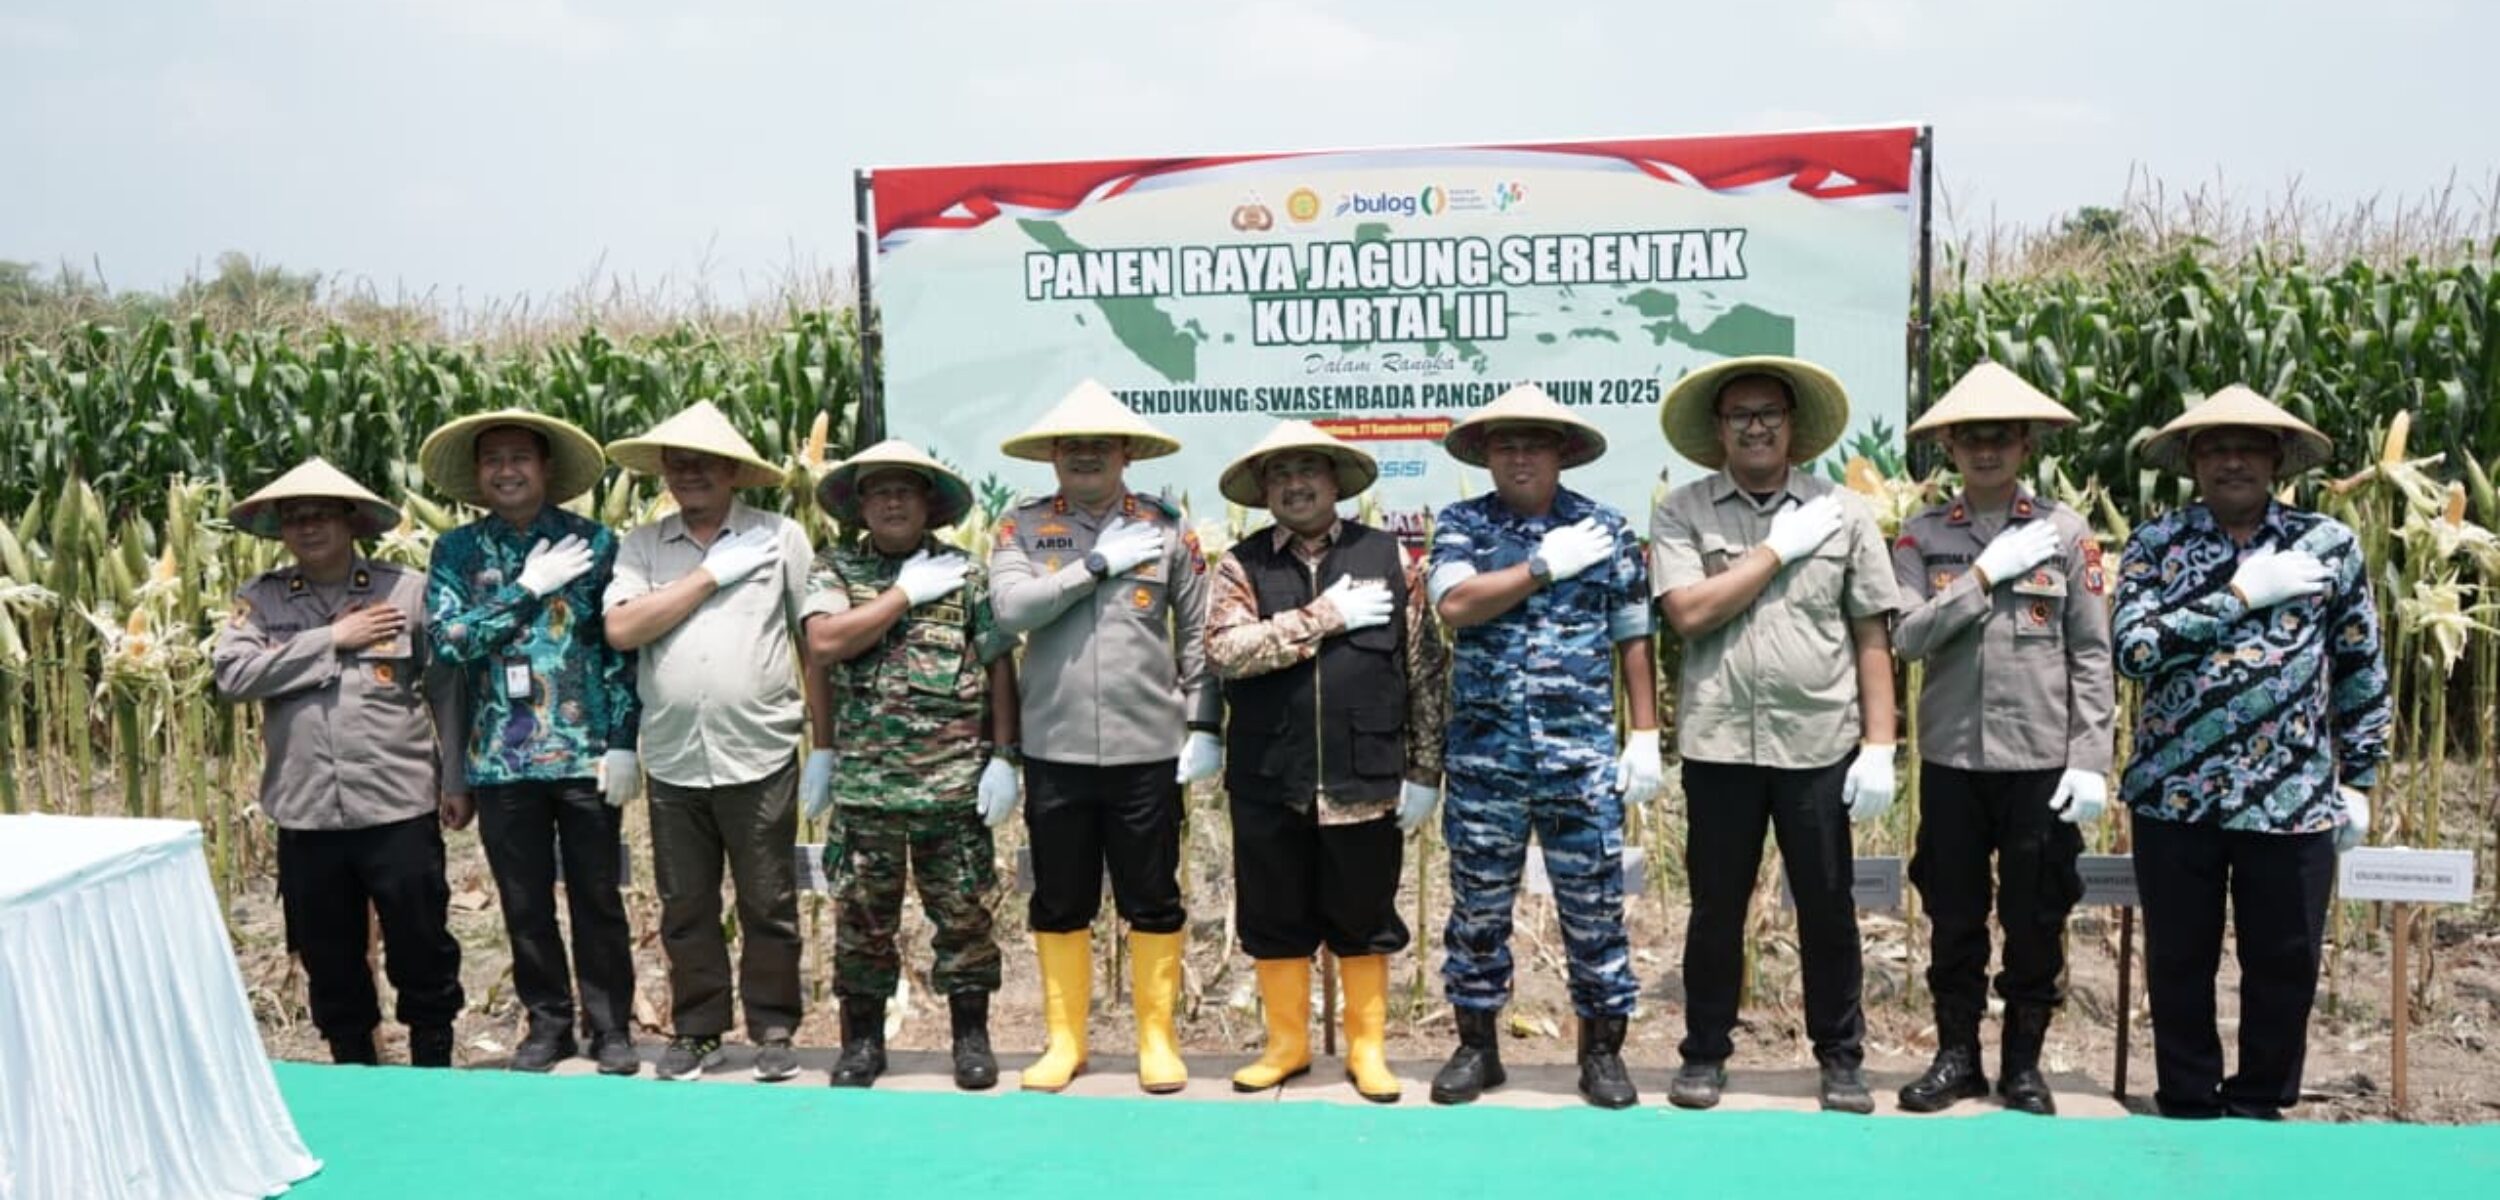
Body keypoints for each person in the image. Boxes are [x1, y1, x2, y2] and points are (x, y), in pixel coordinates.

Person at [2115, 385, 2388, 1121]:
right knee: (2179, 961)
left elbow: (2360, 662)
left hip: (2293, 793)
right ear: (2193, 463)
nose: (2231, 459)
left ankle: (2262, 1098)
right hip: (2177, 791)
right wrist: (2239, 595)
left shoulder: (2328, 544)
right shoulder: (2156, 544)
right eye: (2214, 447)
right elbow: (2134, 651)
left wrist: (2359, 776)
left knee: (2284, 961)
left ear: (2275, 459)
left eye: (2248, 446)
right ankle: (2188, 1098)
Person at [1650, 355, 1902, 1114]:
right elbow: (1689, 613)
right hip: (1719, 743)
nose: (1756, 427)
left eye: (1770, 414)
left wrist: (1882, 744)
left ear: (1793, 427)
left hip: (1818, 741)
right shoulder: (1684, 511)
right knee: (1715, 908)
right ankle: (1704, 1054)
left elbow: (1870, 634)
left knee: (1827, 905)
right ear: (1719, 430)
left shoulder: (1843, 512)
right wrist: (1775, 552)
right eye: (1740, 416)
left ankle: (1841, 1057)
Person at [1424, 384, 1661, 1110]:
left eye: (1534, 442)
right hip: (1485, 759)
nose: (1520, 455)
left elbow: (1632, 634)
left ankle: (1601, 1055)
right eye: (1505, 444)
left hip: (1579, 754)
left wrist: (1646, 732)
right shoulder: (1462, 523)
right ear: (1487, 455)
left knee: (1593, 908)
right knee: (1478, 911)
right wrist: (1539, 567)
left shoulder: (1606, 527)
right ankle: (1476, 1047)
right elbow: (1454, 605)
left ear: (1563, 452)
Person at [1889, 363, 2115, 1115]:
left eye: (2001, 438)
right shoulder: (1921, 537)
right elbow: (1910, 637)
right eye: (1970, 438)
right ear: (1949, 446)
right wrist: (1981, 578)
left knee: (2036, 916)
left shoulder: (2067, 534)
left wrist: (2090, 760)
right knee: (1952, 915)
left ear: (2024, 445)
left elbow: (2090, 651)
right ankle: (1957, 1057)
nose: (1986, 450)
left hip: (2040, 762)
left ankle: (2024, 1064)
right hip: (1953, 758)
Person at [987, 380, 1221, 1094]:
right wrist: (1092, 568)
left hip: (1147, 749)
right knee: (1060, 899)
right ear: (1053, 456)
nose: (1086, 456)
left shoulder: (1165, 524)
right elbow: (1012, 608)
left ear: (1126, 453)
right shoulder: (1020, 526)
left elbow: (1201, 634)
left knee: (1152, 895)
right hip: (1054, 750)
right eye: (1072, 446)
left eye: (1101, 445)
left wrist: (1205, 724)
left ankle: (1157, 1036)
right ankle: (1067, 1041)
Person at [1204, 421, 1447, 1103]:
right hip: (1269, 775)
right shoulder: (1242, 563)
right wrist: (1323, 618)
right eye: (1279, 475)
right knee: (1274, 913)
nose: (1295, 484)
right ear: (1264, 491)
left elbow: (1425, 669)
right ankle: (1286, 1045)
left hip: (1363, 776)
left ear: (1336, 482)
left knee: (1362, 912)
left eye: (1308, 470)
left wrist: (1426, 770)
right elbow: (1225, 650)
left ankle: (1368, 1049)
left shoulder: (1390, 559)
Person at [213, 458, 467, 1068]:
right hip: (306, 810)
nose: (308, 528)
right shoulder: (262, 599)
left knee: (421, 944)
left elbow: (446, 688)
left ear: (351, 521)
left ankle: (434, 1063)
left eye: (322, 514)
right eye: (295, 518)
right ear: (280, 531)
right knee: (328, 954)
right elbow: (232, 674)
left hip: (397, 799)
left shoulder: (403, 590)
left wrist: (456, 776)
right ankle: (354, 1068)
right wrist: (331, 639)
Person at [420, 408, 642, 1075]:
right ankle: (547, 1025)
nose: (506, 471)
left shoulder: (597, 544)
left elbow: (617, 652)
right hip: (500, 759)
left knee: (598, 897)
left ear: (546, 469)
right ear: (478, 475)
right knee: (523, 901)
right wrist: (524, 590)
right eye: (493, 460)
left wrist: (623, 740)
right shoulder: (456, 552)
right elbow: (450, 641)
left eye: (520, 458)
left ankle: (611, 1028)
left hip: (583, 752)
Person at [601, 401, 813, 1083]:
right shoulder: (643, 544)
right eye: (679, 462)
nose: (690, 473)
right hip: (672, 754)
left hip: (759, 747)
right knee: (686, 903)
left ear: (732, 471)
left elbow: (811, 639)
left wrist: (827, 743)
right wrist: (710, 575)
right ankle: (698, 1029)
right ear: (665, 471)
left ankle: (775, 1027)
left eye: (705, 462)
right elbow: (624, 629)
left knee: (768, 901)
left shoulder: (781, 537)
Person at [802, 439, 1019, 1091]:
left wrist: (1005, 757)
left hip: (954, 790)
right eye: (879, 490)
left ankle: (971, 1039)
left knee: (966, 923)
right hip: (865, 791)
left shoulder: (965, 574)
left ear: (928, 502)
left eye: (906, 489)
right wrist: (822, 748)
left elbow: (999, 663)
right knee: (863, 927)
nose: (893, 500)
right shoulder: (834, 569)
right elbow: (823, 643)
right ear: (861, 504)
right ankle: (863, 1043)